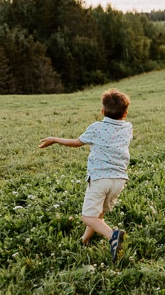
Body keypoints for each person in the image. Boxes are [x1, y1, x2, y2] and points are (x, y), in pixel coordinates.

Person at [38, 88, 132, 262]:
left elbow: (76, 143)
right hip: (119, 180)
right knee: (98, 215)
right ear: (125, 113)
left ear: (103, 111)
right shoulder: (128, 127)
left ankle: (113, 235)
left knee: (87, 216)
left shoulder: (96, 127)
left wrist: (54, 139)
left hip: (99, 179)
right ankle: (84, 240)